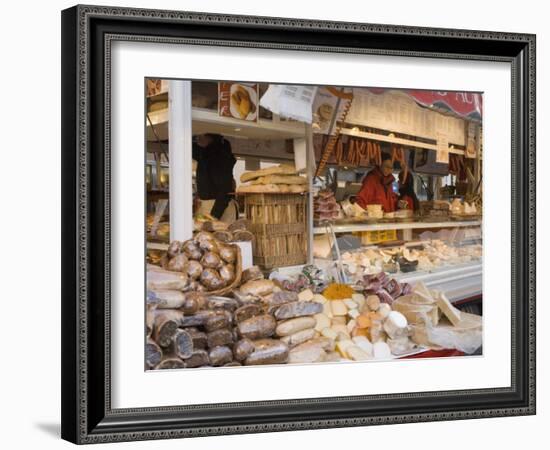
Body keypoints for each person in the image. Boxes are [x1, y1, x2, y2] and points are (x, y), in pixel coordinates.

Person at [192, 133, 238, 221]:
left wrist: (214, 216)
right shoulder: (206, 153)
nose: (197, 139)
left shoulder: (219, 157)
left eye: (200, 136)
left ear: (210, 138)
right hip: (210, 207)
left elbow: (225, 190)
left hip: (218, 207)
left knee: (221, 234)